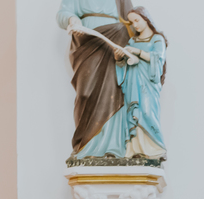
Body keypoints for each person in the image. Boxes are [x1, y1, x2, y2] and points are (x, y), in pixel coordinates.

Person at [58, 0, 135, 158]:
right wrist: (73, 20)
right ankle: (85, 146)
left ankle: (113, 147)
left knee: (114, 91)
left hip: (116, 38)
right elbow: (62, 13)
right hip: (87, 37)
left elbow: (132, 18)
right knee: (86, 93)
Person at [119, 8, 167, 159]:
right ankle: (136, 150)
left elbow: (158, 59)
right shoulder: (132, 41)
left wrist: (138, 52)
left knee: (147, 112)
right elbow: (126, 63)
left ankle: (156, 150)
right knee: (134, 113)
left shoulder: (157, 39)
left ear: (146, 19)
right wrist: (120, 57)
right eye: (132, 22)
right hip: (133, 83)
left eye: (137, 20)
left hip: (148, 84)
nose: (135, 25)